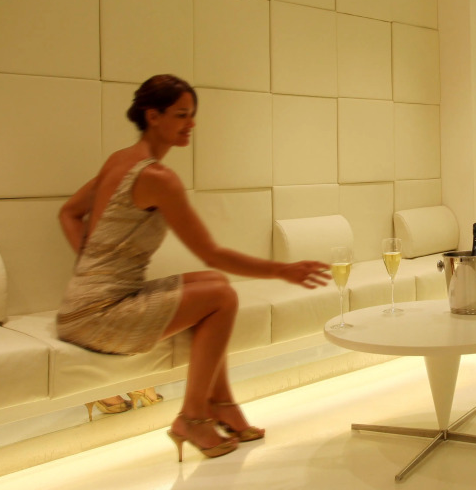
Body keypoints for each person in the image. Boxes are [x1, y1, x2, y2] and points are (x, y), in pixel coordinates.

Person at [56, 74, 330, 461]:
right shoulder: (157, 178)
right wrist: (282, 270)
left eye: (192, 114)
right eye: (182, 115)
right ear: (153, 116)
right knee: (221, 296)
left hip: (82, 305)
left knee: (213, 284)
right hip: (98, 316)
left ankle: (222, 404)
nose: (192, 124)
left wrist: (91, 268)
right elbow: (212, 252)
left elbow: (68, 213)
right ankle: (193, 417)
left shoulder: (119, 160)